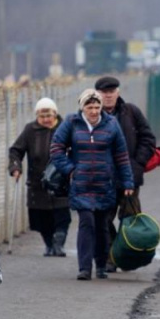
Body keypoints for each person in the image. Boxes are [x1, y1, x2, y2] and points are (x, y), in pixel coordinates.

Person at [50, 89, 134, 281]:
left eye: (97, 107)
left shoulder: (111, 124)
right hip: (81, 184)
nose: (94, 111)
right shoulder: (72, 123)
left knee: (103, 225)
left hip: (105, 184)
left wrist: (128, 181)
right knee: (87, 223)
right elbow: (56, 148)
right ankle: (84, 267)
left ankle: (102, 265)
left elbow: (121, 155)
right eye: (90, 107)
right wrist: (70, 169)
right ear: (83, 108)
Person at [95, 76, 156, 272]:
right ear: (98, 94)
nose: (109, 95)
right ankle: (112, 255)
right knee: (103, 219)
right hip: (103, 179)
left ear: (118, 93)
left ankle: (126, 256)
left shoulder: (131, 112)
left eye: (112, 92)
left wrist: (137, 164)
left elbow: (148, 138)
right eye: (105, 92)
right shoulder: (91, 114)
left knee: (129, 219)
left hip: (130, 176)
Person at [8, 98, 71, 257]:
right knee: (41, 218)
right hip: (37, 181)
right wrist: (15, 167)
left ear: (55, 114)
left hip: (60, 181)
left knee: (62, 215)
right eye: (42, 117)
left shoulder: (65, 128)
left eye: (49, 116)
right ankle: (49, 244)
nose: (46, 120)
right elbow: (16, 150)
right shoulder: (30, 130)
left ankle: (59, 244)